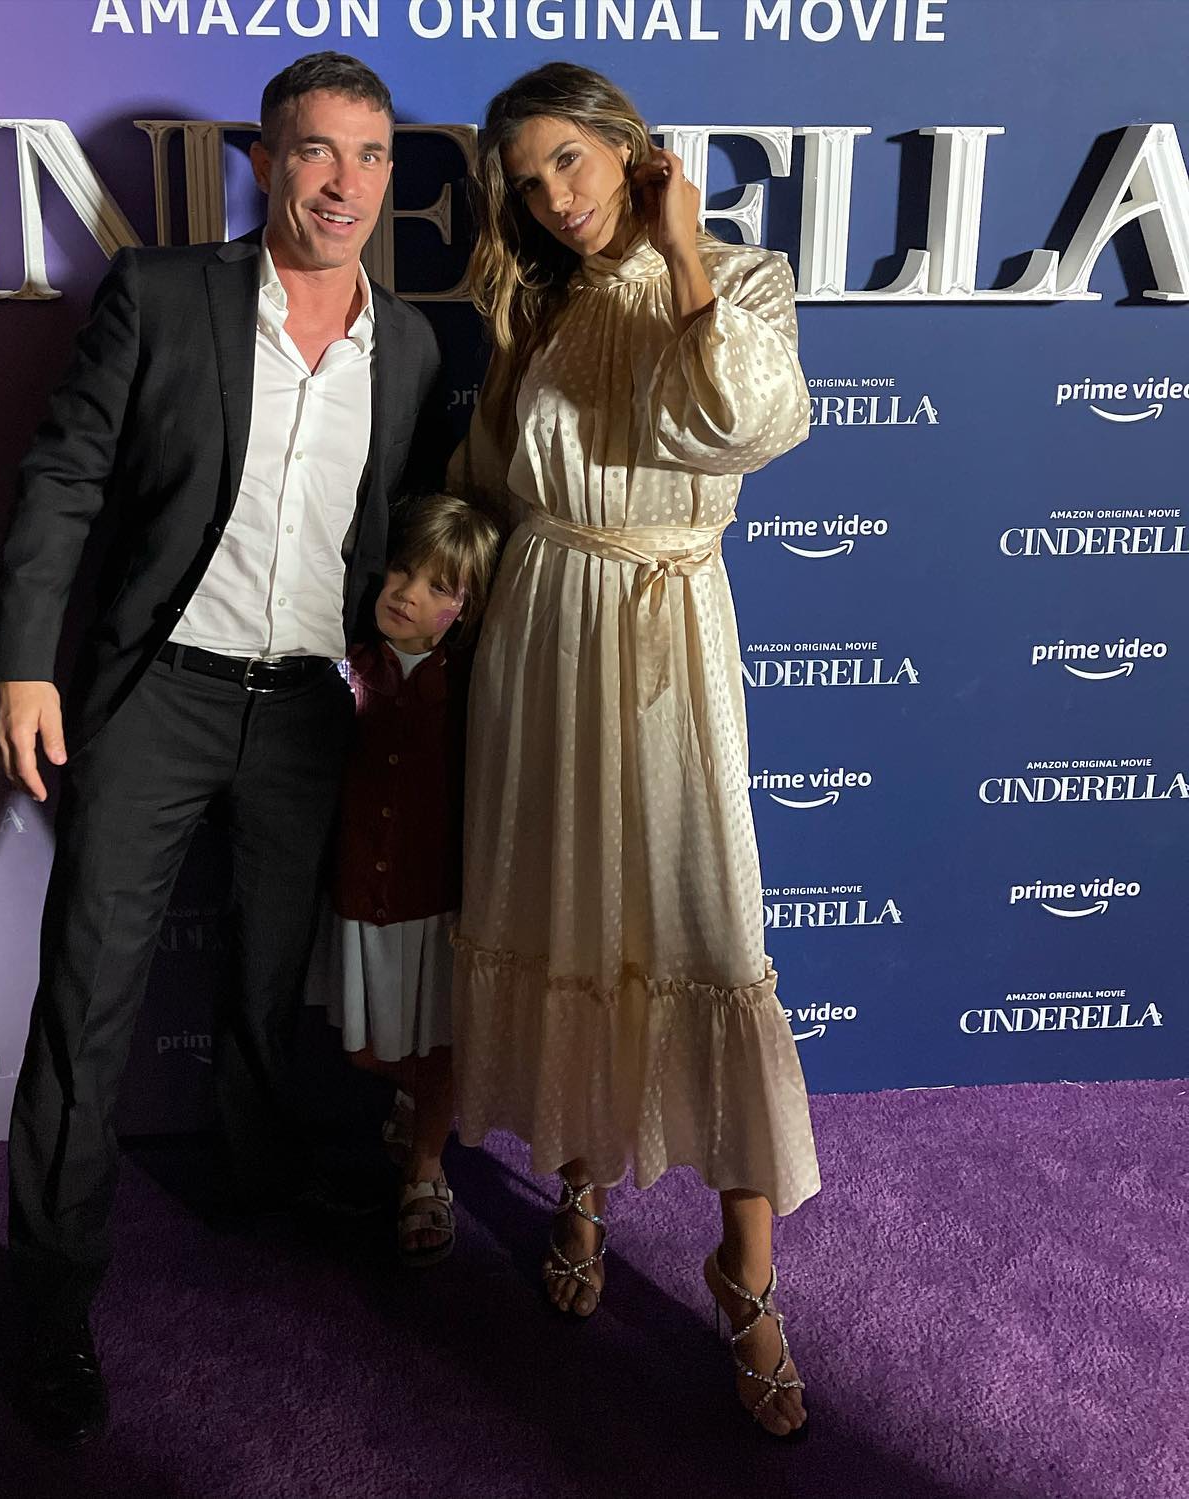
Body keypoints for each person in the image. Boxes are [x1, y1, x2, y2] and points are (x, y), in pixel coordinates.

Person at [0, 53, 444, 1446]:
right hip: (155, 696)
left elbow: (389, 534)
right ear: (263, 162)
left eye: (370, 155)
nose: (344, 183)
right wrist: (22, 660)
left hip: (306, 708)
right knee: (89, 992)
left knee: (267, 974)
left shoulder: (413, 346)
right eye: (316, 150)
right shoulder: (163, 294)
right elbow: (64, 476)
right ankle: (49, 1295)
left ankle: (253, 1178)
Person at [448, 62, 820, 1439]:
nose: (556, 196)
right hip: (544, 632)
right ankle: (582, 1187)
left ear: (630, 148)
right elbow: (492, 480)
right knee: (569, 911)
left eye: (571, 159)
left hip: (666, 626)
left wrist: (683, 252)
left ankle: (747, 1274)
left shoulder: (747, 279)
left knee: (706, 933)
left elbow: (739, 422)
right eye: (529, 178)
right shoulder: (533, 306)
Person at [312, 495, 499, 1267]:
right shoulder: (347, 669)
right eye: (401, 569)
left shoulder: (473, 687)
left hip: (436, 903)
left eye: (437, 586)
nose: (408, 593)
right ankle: (415, 1099)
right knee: (366, 1049)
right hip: (361, 894)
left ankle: (426, 1167)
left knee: (439, 1043)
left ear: (465, 610)